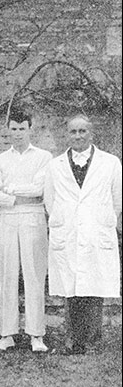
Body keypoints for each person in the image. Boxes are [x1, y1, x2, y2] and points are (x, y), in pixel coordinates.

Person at [44, 115, 122, 354]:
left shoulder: (110, 163)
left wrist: (101, 220)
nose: (78, 136)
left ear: (91, 133)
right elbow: (50, 200)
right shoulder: (55, 165)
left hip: (96, 231)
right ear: (67, 134)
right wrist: (65, 221)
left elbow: (117, 200)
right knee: (71, 286)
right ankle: (73, 339)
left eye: (82, 131)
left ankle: (92, 339)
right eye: (73, 132)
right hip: (68, 231)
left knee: (94, 285)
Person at [0, 111, 53, 353]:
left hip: (34, 217)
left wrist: (10, 189)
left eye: (21, 129)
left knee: (34, 274)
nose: (17, 133)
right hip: (6, 219)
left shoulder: (44, 157)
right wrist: (15, 198)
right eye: (13, 129)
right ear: (8, 130)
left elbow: (40, 189)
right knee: (7, 274)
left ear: (30, 129)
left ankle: (36, 334)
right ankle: (7, 334)